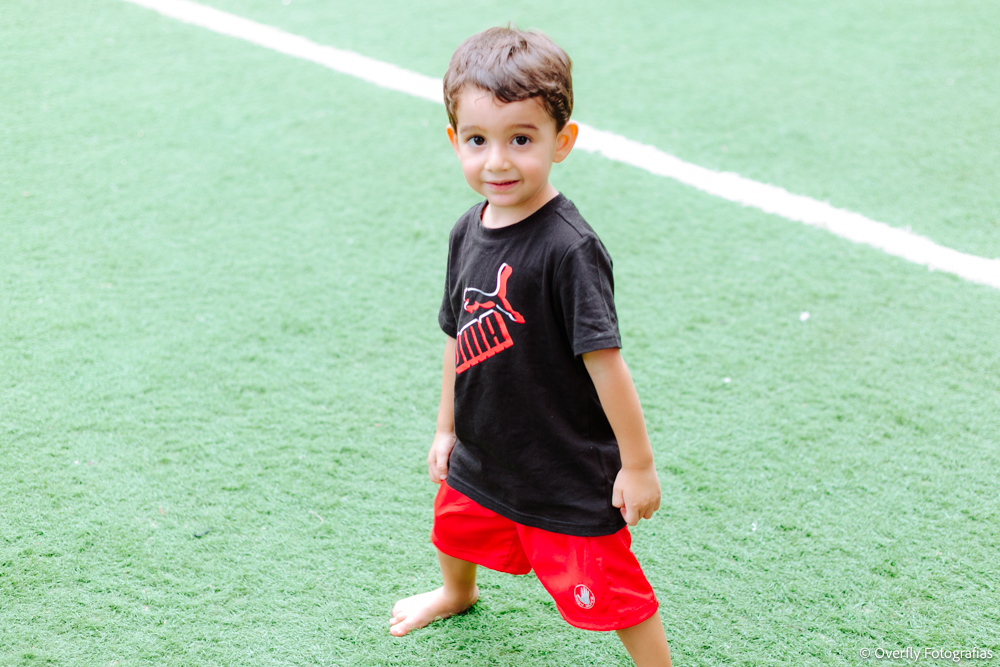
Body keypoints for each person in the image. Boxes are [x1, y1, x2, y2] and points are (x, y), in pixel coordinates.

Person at [389, 26, 673, 667]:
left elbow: (607, 366)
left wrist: (638, 465)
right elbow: (458, 337)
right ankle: (456, 593)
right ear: (454, 140)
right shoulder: (468, 230)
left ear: (562, 142)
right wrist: (445, 428)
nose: (497, 161)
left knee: (611, 589)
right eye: (477, 140)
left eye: (521, 139)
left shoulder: (569, 249)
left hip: (561, 465)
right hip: (485, 447)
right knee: (454, 525)